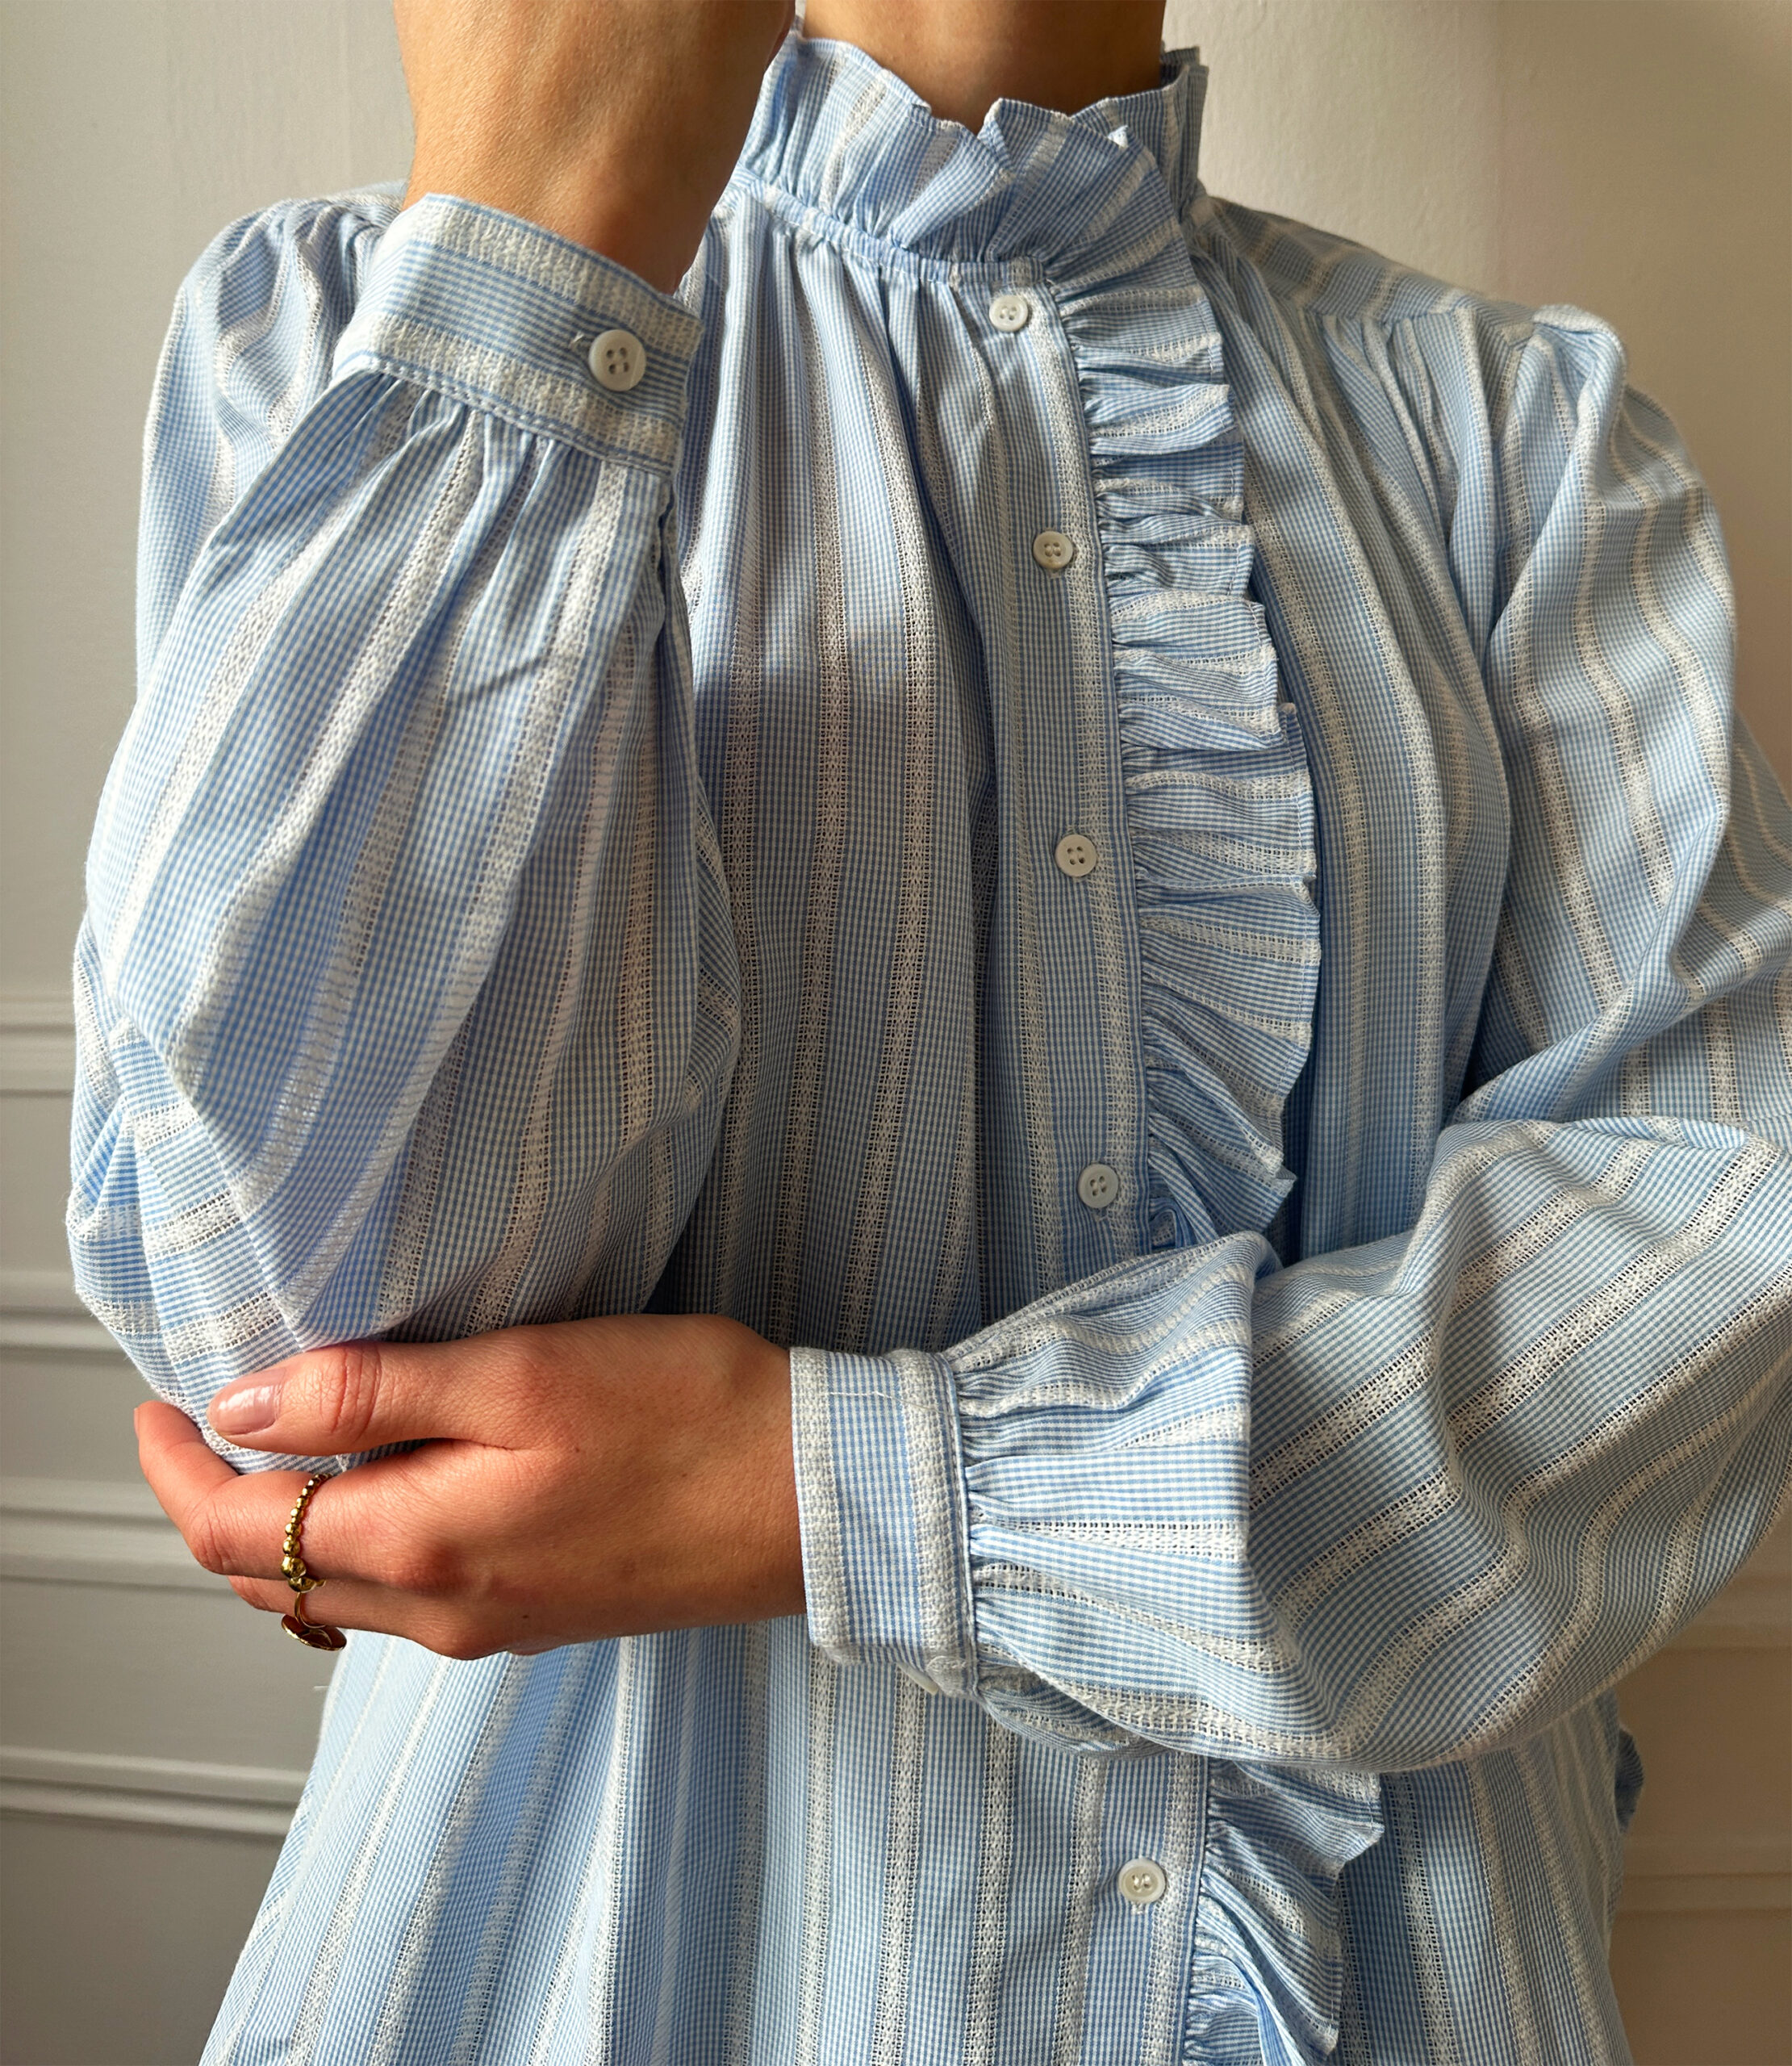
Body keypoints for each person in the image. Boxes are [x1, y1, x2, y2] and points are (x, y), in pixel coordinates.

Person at [73, 0, 1792, 2060]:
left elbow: (1709, 1266)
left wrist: (839, 1488)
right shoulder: (367, 322)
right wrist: (547, 250)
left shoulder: (1511, 433)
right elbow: (305, 1324)